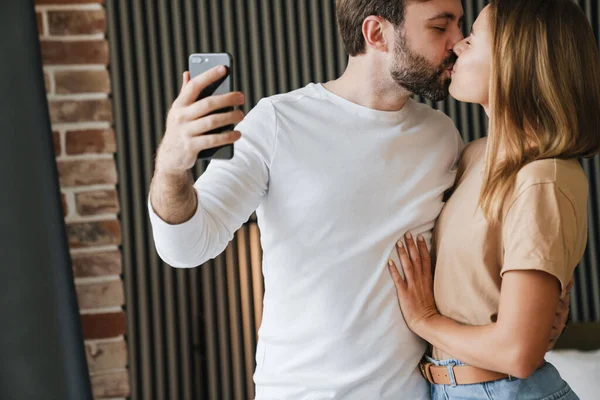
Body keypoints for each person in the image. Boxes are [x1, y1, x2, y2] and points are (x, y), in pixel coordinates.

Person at [148, 0, 569, 398]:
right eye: (440, 26)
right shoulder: (277, 123)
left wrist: (542, 306)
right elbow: (185, 248)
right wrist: (171, 166)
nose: (456, 42)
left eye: (461, 25)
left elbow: (480, 252)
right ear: (377, 33)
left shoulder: (443, 138)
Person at [387, 0, 600, 399]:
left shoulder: (542, 179)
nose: (457, 46)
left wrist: (424, 319)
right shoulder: (474, 156)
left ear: (516, 57)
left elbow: (517, 354)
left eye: (474, 36)